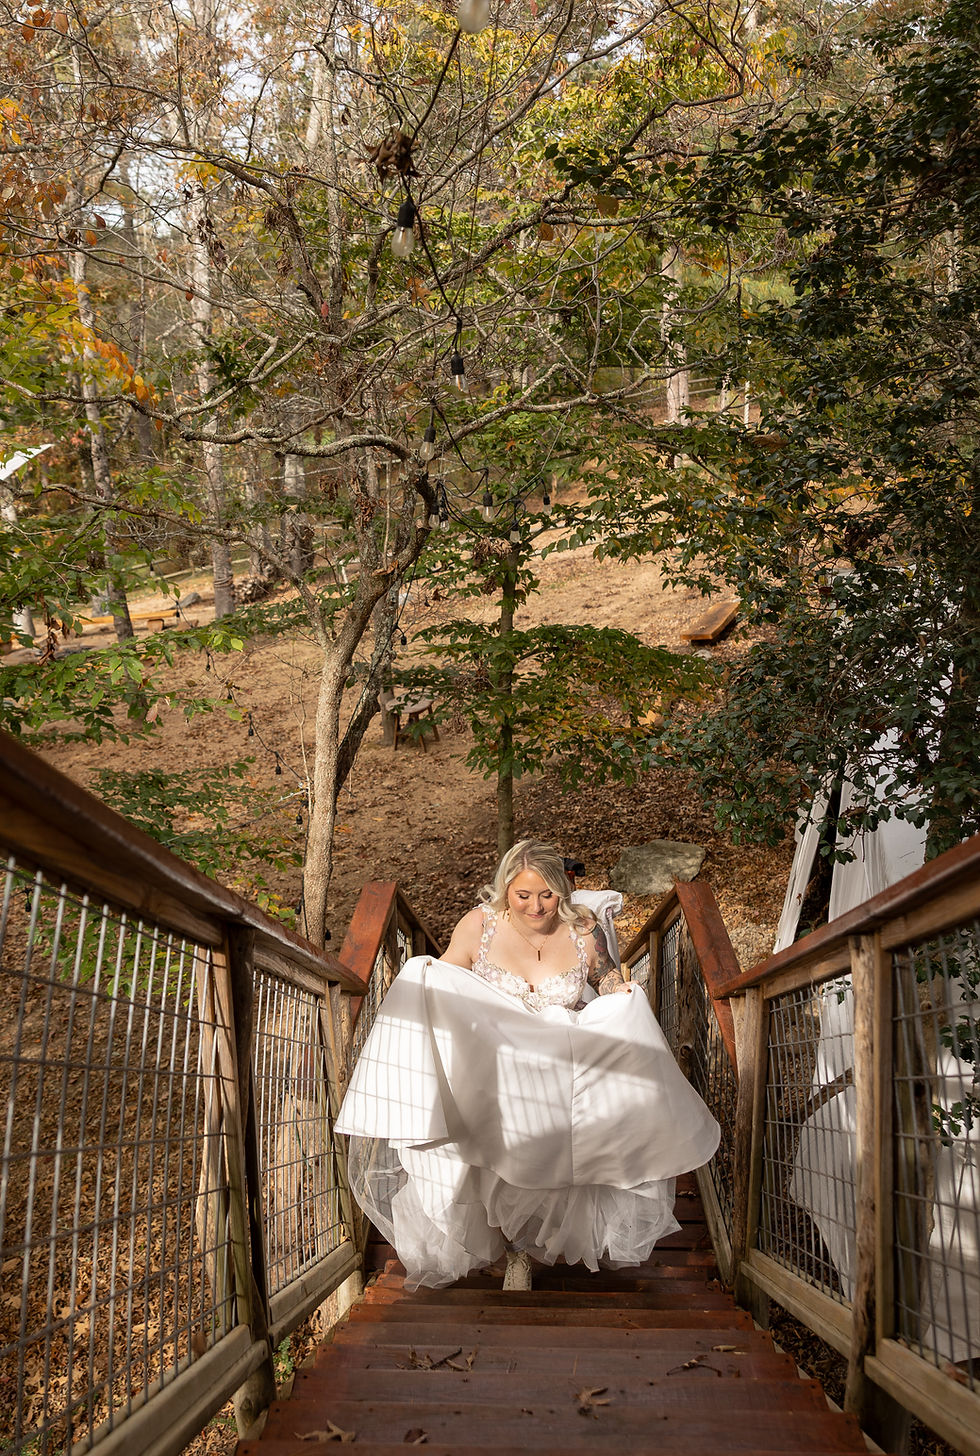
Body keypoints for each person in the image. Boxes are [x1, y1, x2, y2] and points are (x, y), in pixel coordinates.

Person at [335, 839, 720, 1292]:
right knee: (493, 1131)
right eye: (523, 895)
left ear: (562, 891)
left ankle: (551, 1237)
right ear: (505, 890)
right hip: (499, 1056)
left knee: (569, 1123)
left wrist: (620, 991)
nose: (536, 907)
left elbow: (604, 974)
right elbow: (447, 973)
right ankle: (513, 1248)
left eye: (547, 895)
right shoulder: (480, 925)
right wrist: (423, 976)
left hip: (561, 1049)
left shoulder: (583, 928)